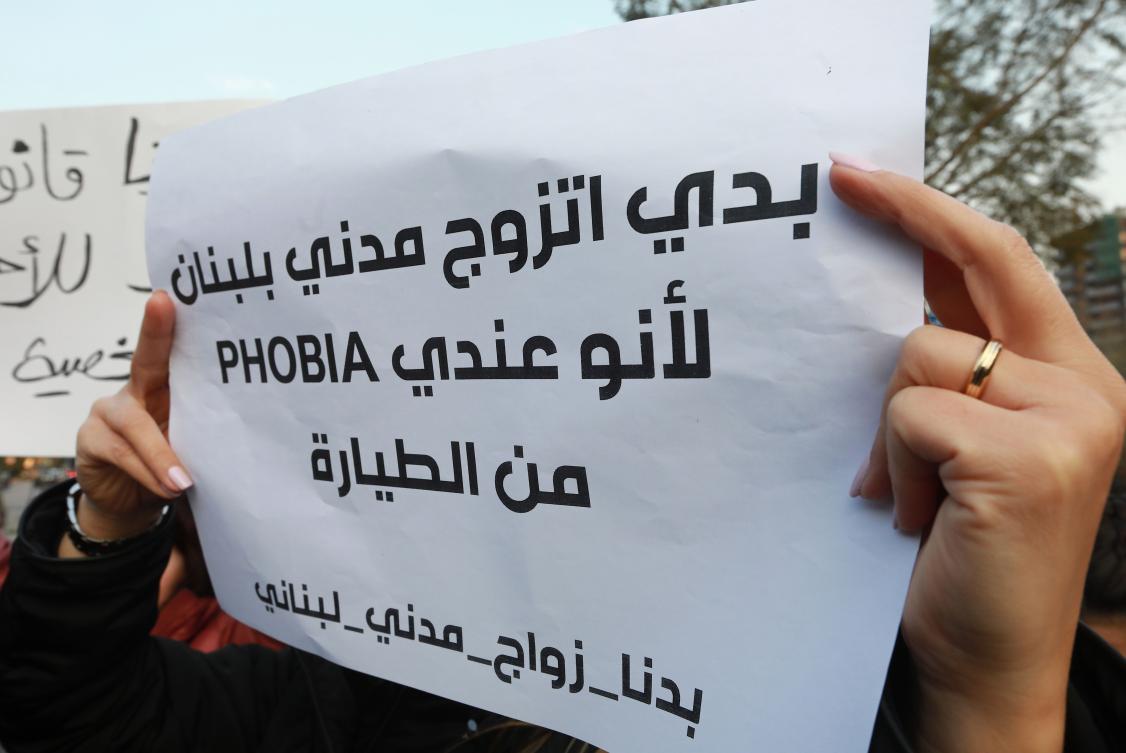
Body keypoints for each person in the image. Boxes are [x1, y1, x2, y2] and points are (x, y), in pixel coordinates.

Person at [1, 156, 1124, 752]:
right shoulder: (388, 679)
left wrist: (992, 697)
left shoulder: (869, 699)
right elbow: (78, 717)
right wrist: (109, 520)